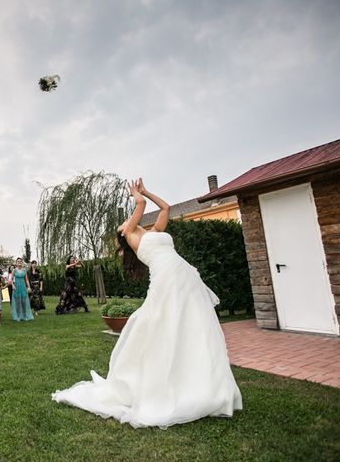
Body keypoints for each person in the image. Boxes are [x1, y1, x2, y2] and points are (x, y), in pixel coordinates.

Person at [51, 179, 242, 429]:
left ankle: (200, 380)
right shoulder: (129, 234)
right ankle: (158, 380)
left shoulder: (154, 233)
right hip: (166, 279)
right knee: (163, 324)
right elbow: (140, 205)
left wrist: (146, 191)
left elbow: (165, 208)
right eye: (124, 223)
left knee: (193, 324)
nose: (126, 222)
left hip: (185, 276)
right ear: (123, 232)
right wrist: (136, 195)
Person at [11, 257, 34, 321]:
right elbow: (11, 279)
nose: (19, 262)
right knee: (17, 302)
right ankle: (18, 316)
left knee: (24, 301)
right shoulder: (14, 270)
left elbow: (26, 280)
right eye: (18, 261)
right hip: (16, 287)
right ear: (16, 263)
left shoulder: (24, 270)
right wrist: (12, 285)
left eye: (20, 261)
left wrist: (29, 287)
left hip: (23, 287)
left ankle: (25, 315)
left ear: (22, 262)